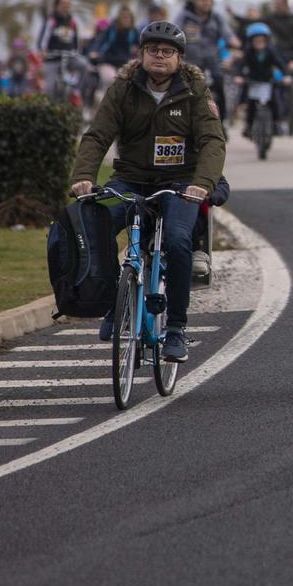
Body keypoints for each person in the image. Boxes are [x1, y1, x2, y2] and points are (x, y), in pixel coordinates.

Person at [68, 20, 227, 363]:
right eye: (152, 50)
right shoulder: (123, 88)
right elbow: (97, 136)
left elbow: (212, 140)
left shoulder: (195, 89)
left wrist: (201, 185)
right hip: (130, 179)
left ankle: (177, 329)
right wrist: (83, 176)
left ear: (180, 58)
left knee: (178, 240)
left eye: (168, 51)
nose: (159, 56)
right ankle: (116, 300)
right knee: (96, 222)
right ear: (140, 54)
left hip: (181, 183)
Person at [177, 0, 235, 110]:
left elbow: (228, 34)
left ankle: (222, 122)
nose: (207, 3)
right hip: (190, 62)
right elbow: (174, 34)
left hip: (213, 60)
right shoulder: (184, 17)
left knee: (220, 84)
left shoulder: (217, 17)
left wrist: (234, 42)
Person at [235, 23, 285, 136]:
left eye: (262, 40)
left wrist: (286, 76)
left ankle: (278, 123)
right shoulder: (248, 52)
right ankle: (248, 126)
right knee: (251, 104)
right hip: (253, 80)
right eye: (256, 40)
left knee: (275, 100)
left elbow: (281, 64)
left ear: (267, 40)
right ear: (251, 41)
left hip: (268, 80)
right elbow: (241, 65)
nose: (259, 43)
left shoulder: (271, 51)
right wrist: (239, 76)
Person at [95, 6, 140, 77]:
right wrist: (95, 52)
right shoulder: (111, 30)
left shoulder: (134, 32)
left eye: (128, 17)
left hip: (125, 62)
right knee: (110, 78)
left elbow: (140, 47)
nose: (126, 20)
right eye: (124, 17)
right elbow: (99, 42)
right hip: (108, 61)